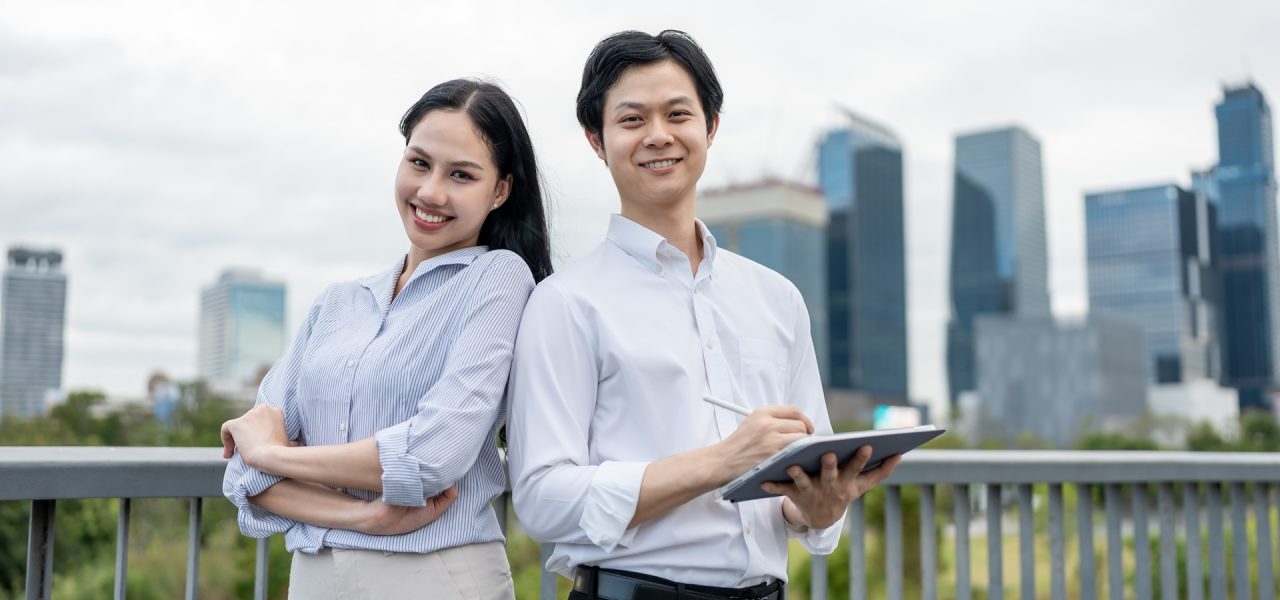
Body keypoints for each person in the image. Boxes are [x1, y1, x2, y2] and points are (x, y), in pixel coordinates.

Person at [507, 30, 901, 600]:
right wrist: (721, 461)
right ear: (597, 140)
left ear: (710, 127)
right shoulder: (565, 303)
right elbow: (542, 500)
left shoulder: (777, 298)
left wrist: (817, 508)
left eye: (678, 114)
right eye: (632, 119)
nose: (659, 136)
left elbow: (808, 486)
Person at [219, 78, 551, 600]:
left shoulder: (498, 278)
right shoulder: (338, 302)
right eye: (419, 163)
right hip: (313, 580)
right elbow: (243, 471)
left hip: (434, 576)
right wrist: (368, 516)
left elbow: (428, 457)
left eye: (461, 175)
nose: (431, 192)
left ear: (501, 190)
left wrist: (277, 458)